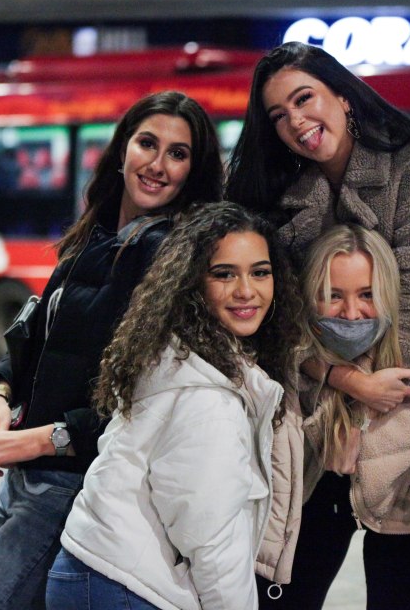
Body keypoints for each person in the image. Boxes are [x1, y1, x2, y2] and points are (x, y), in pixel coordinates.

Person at [226, 40, 410, 606]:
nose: (296, 121)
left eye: (305, 99)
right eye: (279, 115)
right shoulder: (282, 198)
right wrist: (346, 382)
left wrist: (362, 390)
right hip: (319, 425)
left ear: (344, 98)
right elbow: (273, 323)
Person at [0, 91, 224, 610]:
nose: (158, 165)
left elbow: (147, 403)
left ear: (192, 171)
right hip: (20, 483)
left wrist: (44, 439)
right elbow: (32, 340)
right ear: (122, 150)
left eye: (178, 154)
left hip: (68, 490)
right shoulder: (91, 237)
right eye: (147, 144)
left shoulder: (171, 259)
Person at [44, 201, 306, 610]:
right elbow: (212, 540)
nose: (246, 290)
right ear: (192, 283)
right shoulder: (208, 400)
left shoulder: (179, 355)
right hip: (125, 588)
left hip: (97, 572)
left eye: (260, 272)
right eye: (224, 274)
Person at [264, 223, 410, 609]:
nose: (351, 314)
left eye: (367, 294)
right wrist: (339, 387)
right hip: (310, 510)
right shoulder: (287, 361)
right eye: (333, 296)